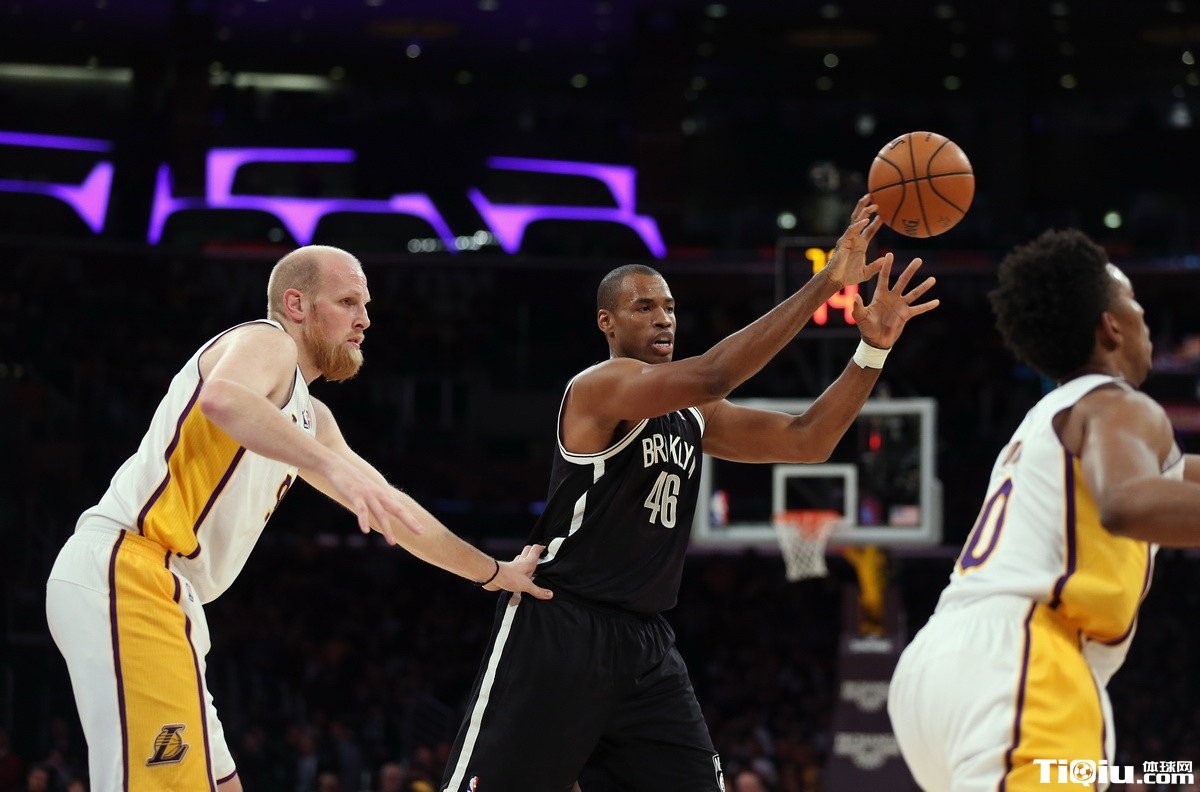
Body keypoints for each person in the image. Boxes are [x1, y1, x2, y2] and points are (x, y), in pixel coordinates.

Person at [440, 197, 938, 792]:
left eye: (670, 308)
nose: (663, 319)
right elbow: (714, 374)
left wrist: (872, 351)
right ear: (607, 323)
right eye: (644, 307)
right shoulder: (598, 388)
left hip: (645, 643)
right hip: (561, 626)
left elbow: (809, 441)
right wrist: (827, 281)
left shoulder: (695, 416)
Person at [45, 245, 551, 792]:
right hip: (130, 569)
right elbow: (222, 399)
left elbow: (397, 512)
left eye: (366, 305)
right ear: (296, 304)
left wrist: (494, 573)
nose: (365, 319)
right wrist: (330, 467)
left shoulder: (313, 418)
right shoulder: (268, 341)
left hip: (167, 594)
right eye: (348, 301)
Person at [888, 228, 1200, 791]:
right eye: (1132, 300)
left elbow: (1175, 479)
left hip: (940, 671)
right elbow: (1129, 503)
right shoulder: (1117, 404)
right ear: (1110, 326)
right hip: (1024, 659)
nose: (1144, 315)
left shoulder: (1048, 423)